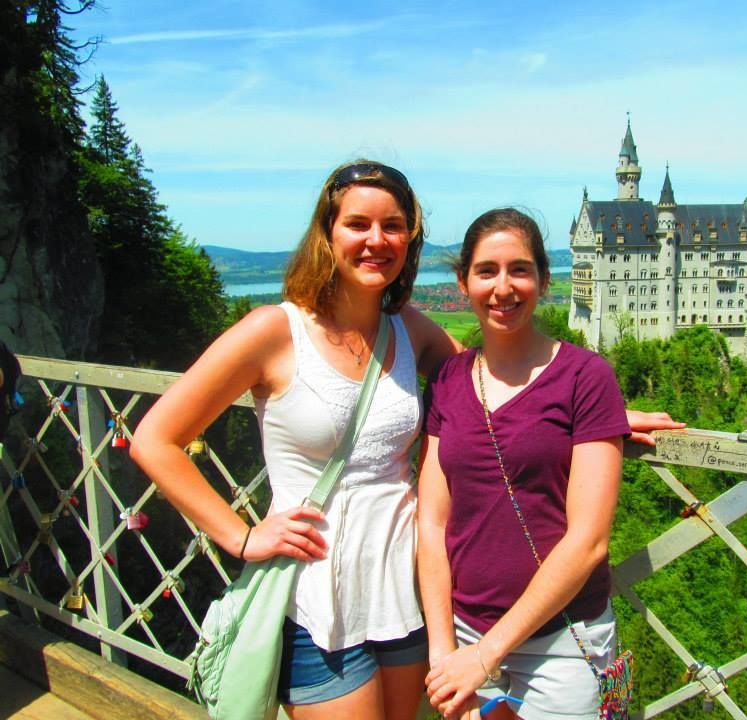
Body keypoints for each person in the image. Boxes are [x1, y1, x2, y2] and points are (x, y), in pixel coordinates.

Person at [132, 160, 458, 720]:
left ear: (410, 238)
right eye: (358, 224)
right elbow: (154, 440)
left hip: (401, 591)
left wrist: (598, 410)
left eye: (393, 226)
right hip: (315, 601)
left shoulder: (407, 327)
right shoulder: (275, 330)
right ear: (327, 234)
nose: (376, 240)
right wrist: (240, 536)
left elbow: (494, 385)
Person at [418, 208, 671, 720]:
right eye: (486, 270)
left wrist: (484, 656)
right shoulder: (447, 381)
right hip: (465, 635)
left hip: (562, 643)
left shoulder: (586, 377)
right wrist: (445, 650)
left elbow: (588, 542)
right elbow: (431, 521)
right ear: (463, 280)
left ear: (543, 279)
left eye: (520, 269)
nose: (503, 287)